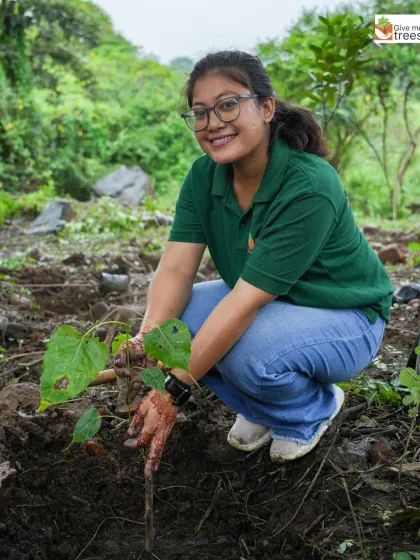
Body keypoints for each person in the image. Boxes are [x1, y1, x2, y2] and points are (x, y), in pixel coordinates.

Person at [114, 50, 394, 477]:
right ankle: (262, 408)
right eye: (200, 113)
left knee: (250, 354)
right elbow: (175, 270)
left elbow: (243, 303)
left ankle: (310, 410)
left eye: (228, 105)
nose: (213, 123)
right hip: (275, 306)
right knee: (176, 327)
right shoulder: (203, 176)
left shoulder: (308, 185)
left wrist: (171, 390)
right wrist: (148, 335)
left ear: (265, 108)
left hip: (346, 316)